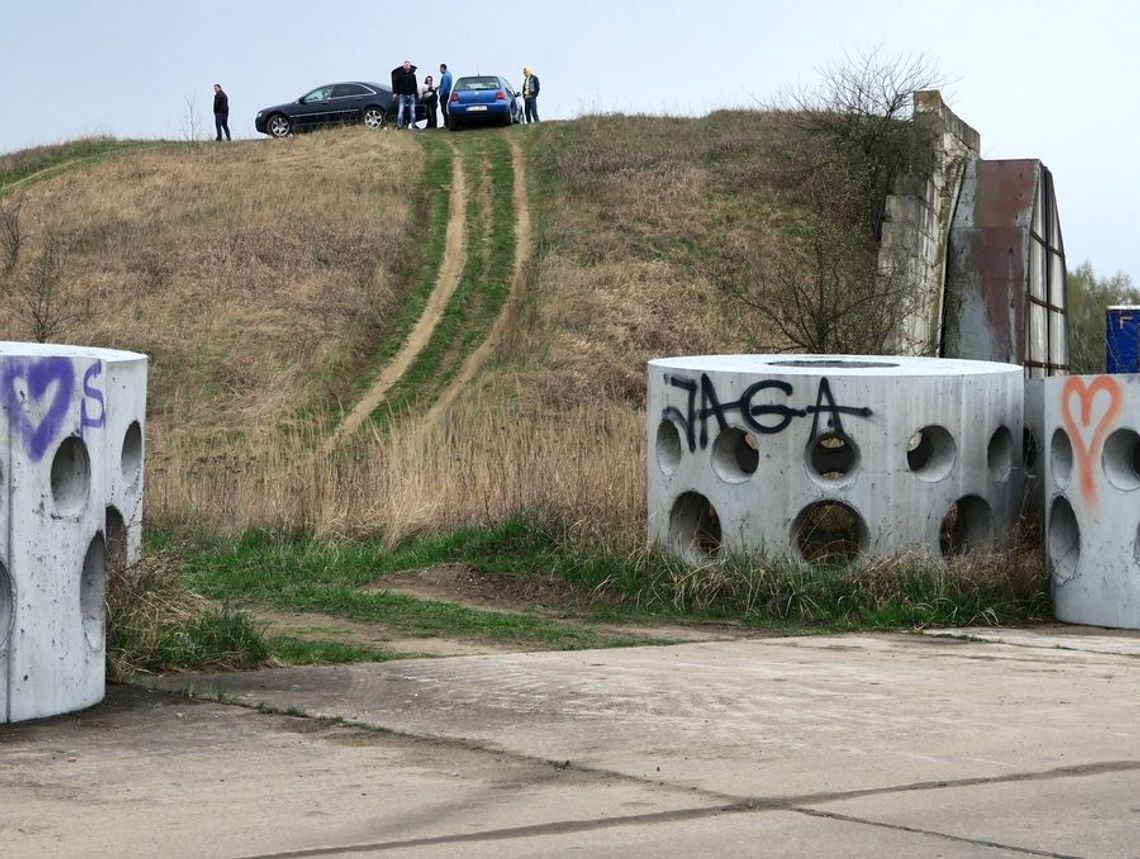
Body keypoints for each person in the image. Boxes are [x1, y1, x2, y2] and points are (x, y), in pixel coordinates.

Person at [391, 60, 418, 129]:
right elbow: (396, 85)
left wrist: (416, 95)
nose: (406, 66)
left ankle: (413, 125)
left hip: (411, 95)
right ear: (403, 66)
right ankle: (399, 125)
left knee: (412, 111)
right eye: (405, 65)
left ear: (410, 66)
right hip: (403, 95)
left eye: (408, 65)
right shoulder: (399, 75)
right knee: (401, 111)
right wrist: (395, 93)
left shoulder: (413, 75)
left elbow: (415, 86)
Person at [438, 63, 453, 127]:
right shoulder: (449, 74)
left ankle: (447, 122)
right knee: (444, 108)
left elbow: (444, 86)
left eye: (440, 69)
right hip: (447, 93)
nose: (440, 70)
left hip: (444, 94)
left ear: (443, 68)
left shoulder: (445, 76)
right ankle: (447, 122)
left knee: (443, 109)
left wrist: (441, 93)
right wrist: (437, 87)